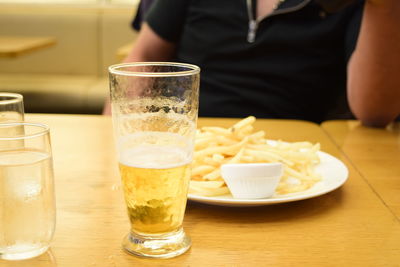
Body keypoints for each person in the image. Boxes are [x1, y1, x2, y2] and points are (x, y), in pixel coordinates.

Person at [104, 0, 400, 128]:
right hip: (183, 143)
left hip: (295, 156)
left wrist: (384, 5)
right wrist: (115, 133)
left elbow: (375, 113)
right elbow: (141, 59)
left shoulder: (354, 6)